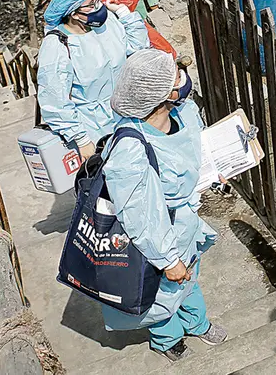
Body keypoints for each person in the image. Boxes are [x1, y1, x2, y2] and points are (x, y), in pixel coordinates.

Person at [101, 49, 226, 362]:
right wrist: (167, 259)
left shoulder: (183, 112)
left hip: (186, 225)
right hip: (160, 238)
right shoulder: (130, 152)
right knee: (162, 293)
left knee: (190, 279)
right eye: (177, 77)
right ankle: (166, 338)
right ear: (161, 97)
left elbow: (194, 151)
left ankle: (197, 323)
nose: (184, 78)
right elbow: (139, 215)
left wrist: (215, 170)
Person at [37, 0, 150, 159]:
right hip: (96, 127)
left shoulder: (106, 24)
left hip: (130, 110)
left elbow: (138, 49)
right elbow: (54, 99)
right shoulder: (57, 46)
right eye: (91, 4)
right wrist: (81, 139)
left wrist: (125, 15)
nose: (98, 6)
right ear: (74, 13)